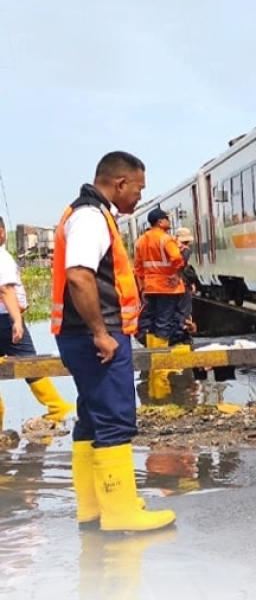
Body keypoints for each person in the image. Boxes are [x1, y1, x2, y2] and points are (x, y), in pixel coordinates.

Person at [52, 150, 175, 532]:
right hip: (95, 336)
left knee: (92, 418)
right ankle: (121, 513)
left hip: (80, 335)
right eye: (139, 188)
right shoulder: (90, 217)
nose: (140, 196)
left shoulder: (89, 213)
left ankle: (93, 507)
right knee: (115, 419)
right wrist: (101, 334)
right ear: (120, 183)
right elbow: (79, 276)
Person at [0, 217, 74, 427]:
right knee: (29, 361)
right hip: (5, 319)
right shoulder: (2, 257)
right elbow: (5, 289)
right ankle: (57, 406)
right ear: (2, 232)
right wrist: (16, 319)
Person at [132, 208, 185, 349]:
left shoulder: (141, 241)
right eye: (167, 219)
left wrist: (142, 287)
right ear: (160, 222)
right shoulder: (166, 239)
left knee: (152, 324)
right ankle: (161, 359)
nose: (169, 221)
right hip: (167, 287)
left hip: (150, 287)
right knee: (164, 323)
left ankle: (152, 355)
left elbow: (138, 268)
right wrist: (177, 275)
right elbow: (177, 258)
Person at [171, 227, 198, 345]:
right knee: (184, 312)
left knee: (173, 311)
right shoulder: (185, 251)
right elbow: (181, 267)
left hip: (171, 286)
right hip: (182, 286)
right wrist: (190, 282)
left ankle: (179, 334)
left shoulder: (170, 249)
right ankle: (183, 336)